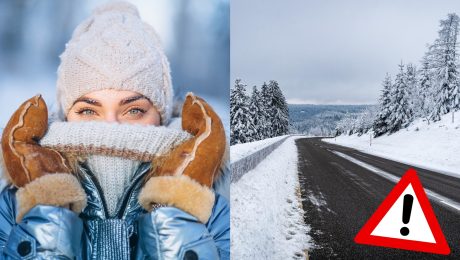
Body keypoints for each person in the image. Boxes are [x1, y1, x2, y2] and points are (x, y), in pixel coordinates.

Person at [0, 1, 230, 259]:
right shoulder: (15, 204)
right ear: (66, 115)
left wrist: (177, 213)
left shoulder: (209, 208)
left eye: (134, 111)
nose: (110, 128)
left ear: (161, 116)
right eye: (89, 111)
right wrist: (46, 216)